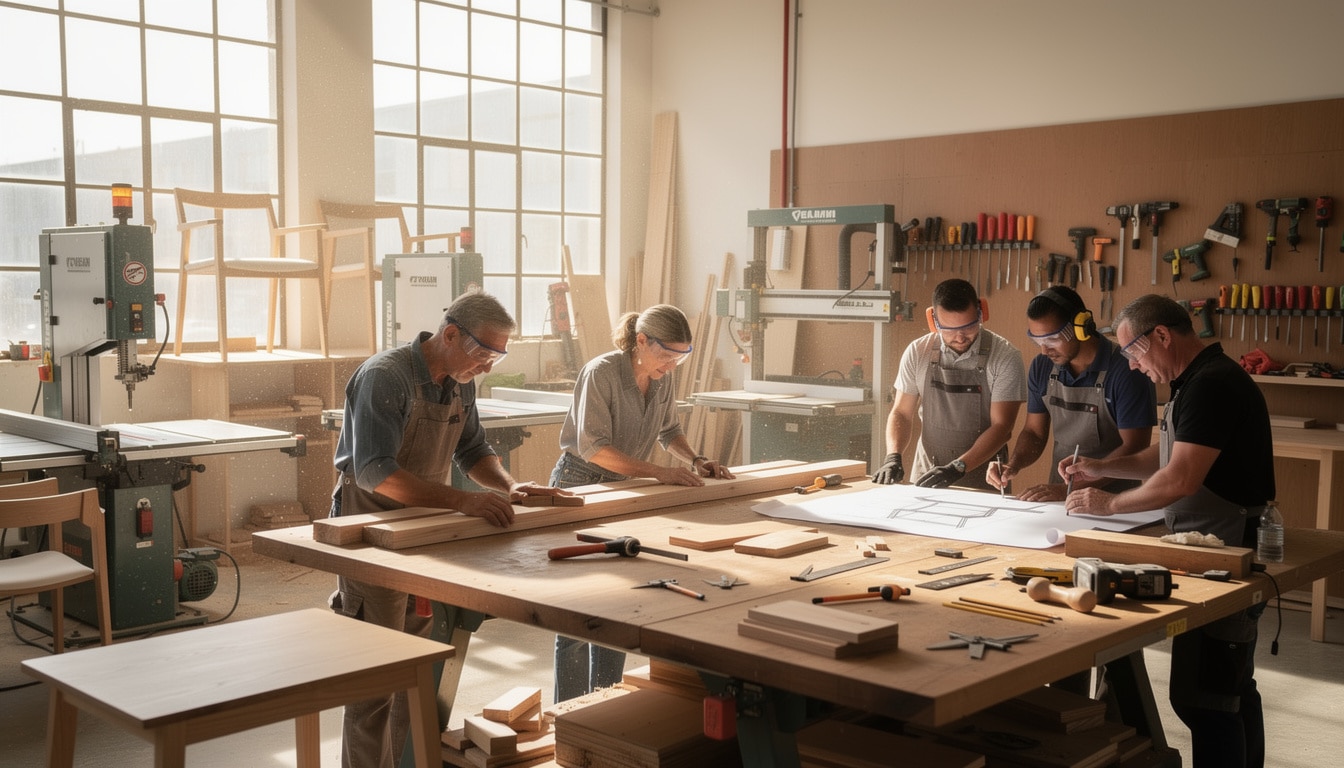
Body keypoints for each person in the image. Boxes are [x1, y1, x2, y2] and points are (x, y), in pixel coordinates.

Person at [329, 290, 567, 768]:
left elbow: (473, 450)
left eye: (498, 357)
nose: (488, 367)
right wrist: (462, 501)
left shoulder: (461, 381)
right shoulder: (385, 376)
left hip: (423, 531)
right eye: (483, 353)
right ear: (451, 333)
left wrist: (508, 486)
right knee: (376, 678)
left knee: (416, 672)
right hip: (371, 529)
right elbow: (375, 471)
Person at [1062, 294, 1275, 768]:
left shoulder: (1211, 386)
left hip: (1227, 555)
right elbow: (1164, 461)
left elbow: (1180, 481)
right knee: (1230, 689)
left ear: (1162, 335)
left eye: (1135, 352)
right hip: (1211, 549)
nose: (1135, 367)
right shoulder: (1196, 380)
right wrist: (1102, 468)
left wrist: (1111, 503)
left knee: (1208, 697)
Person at [549, 304, 734, 701]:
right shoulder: (602, 372)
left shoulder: (661, 379)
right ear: (641, 341)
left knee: (618, 609)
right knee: (579, 613)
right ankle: (570, 717)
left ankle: (605, 708)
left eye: (680, 358)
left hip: (625, 493)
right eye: (666, 355)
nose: (671, 365)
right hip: (581, 488)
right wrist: (659, 472)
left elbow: (669, 431)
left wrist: (696, 460)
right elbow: (594, 448)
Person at [986, 286, 1156, 500]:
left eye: (1052, 340)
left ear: (1081, 327)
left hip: (1115, 500)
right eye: (1037, 341)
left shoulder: (1126, 370)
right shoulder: (1042, 366)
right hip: (1060, 496)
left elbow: (1135, 447)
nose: (1044, 350)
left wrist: (1070, 489)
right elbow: (1034, 433)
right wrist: (1013, 464)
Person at [872, 278, 1025, 490]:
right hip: (927, 474)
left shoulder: (1005, 357)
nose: (960, 337)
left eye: (969, 327)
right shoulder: (918, 352)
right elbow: (901, 413)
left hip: (984, 479)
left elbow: (1002, 428)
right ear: (934, 321)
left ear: (982, 313)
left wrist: (959, 466)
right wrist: (893, 456)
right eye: (949, 330)